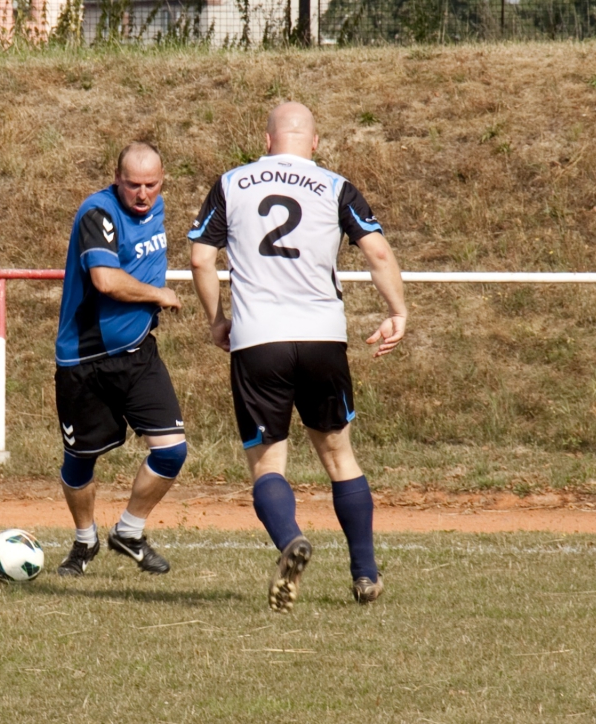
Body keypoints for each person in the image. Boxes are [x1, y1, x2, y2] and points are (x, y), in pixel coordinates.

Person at [188, 102, 407, 612]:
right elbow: (376, 251)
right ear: (314, 143)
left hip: (258, 339)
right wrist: (398, 310)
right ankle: (365, 572)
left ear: (266, 141)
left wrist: (216, 319)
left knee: (268, 465)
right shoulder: (335, 186)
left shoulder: (231, 183)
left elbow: (201, 256)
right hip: (322, 337)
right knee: (338, 456)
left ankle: (289, 539)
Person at [54, 141, 187, 577]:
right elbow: (106, 280)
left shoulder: (158, 207)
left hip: (138, 355)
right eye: (133, 185)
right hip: (85, 359)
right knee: (80, 460)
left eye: (151, 184)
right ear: (117, 180)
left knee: (171, 451)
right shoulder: (99, 214)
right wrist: (159, 294)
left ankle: (128, 531)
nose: (143, 193)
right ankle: (84, 540)